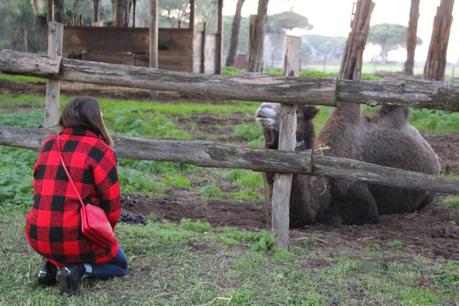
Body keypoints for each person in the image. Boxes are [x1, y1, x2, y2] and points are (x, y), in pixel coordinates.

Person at [25, 96, 128, 296]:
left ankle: (49, 265)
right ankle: (77, 270)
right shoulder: (101, 151)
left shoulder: (49, 144)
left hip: (38, 234)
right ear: (95, 119)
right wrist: (104, 235)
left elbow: (37, 188)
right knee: (121, 264)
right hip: (77, 237)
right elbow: (112, 207)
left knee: (61, 239)